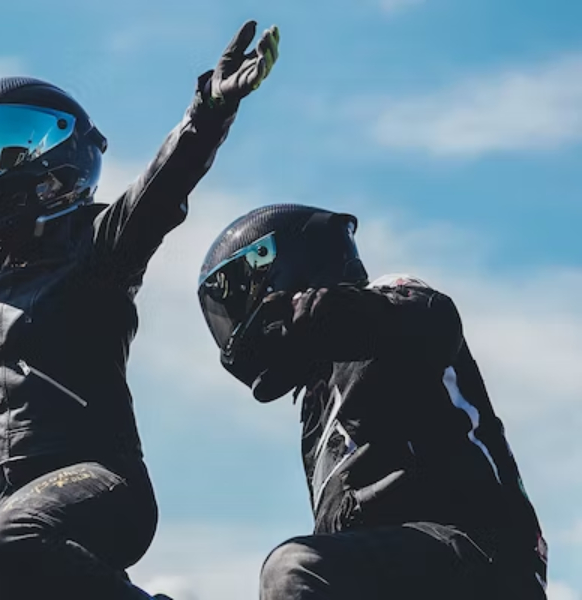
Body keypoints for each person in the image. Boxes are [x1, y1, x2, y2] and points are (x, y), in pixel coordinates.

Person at [0, 21, 280, 600]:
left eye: (9, 145)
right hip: (20, 503)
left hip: (105, 487)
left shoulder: (98, 252)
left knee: (6, 542)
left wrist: (210, 109)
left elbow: (161, 185)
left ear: (60, 162)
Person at [195, 204, 548, 600]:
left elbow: (432, 322)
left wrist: (319, 313)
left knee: (294, 569)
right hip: (411, 575)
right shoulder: (317, 414)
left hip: (481, 561)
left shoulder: (388, 301)